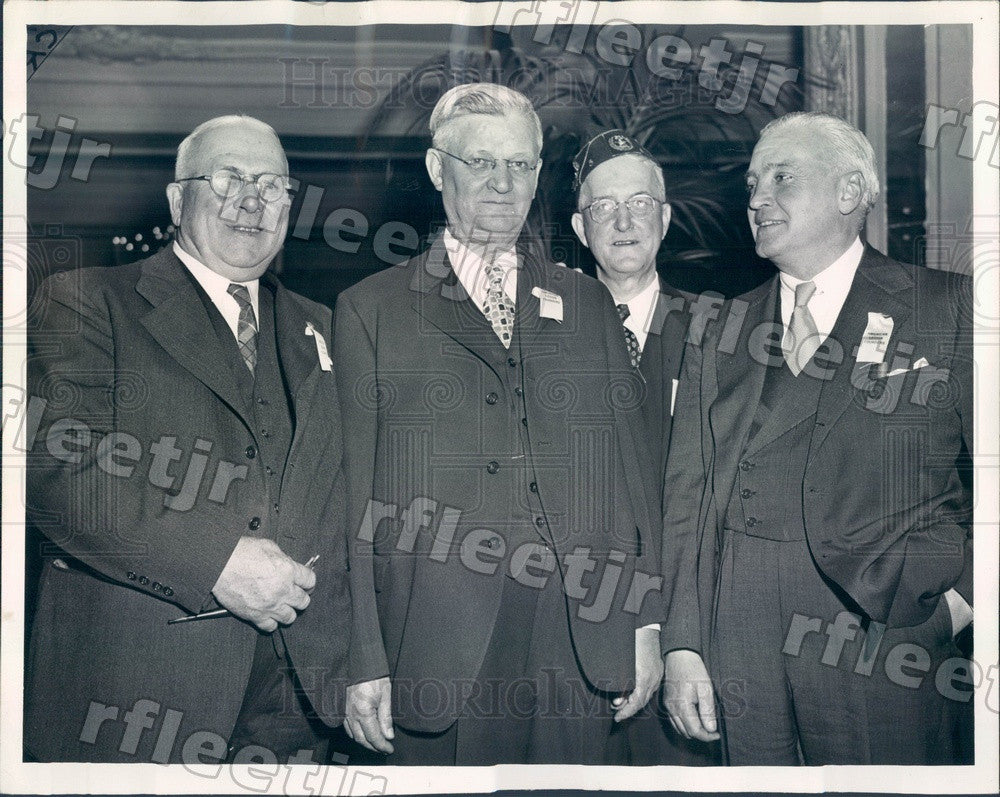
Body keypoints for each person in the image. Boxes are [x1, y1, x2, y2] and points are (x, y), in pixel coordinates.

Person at [333, 83, 664, 765]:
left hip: (579, 632)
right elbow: (351, 494)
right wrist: (363, 654)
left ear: (538, 176)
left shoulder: (586, 300)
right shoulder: (372, 308)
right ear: (437, 170)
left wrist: (647, 621)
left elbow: (633, 478)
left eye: (518, 164)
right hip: (435, 633)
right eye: (480, 161)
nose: (501, 181)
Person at [25, 115, 352, 763]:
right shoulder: (86, 300)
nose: (252, 200)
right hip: (134, 705)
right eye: (228, 178)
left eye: (272, 184)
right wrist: (216, 559)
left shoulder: (330, 328)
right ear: (179, 200)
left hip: (301, 714)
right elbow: (55, 467)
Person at [661, 111, 973, 764]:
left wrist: (960, 600)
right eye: (752, 183)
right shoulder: (717, 326)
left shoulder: (947, 309)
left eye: (782, 176)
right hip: (738, 631)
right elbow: (687, 499)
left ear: (849, 191)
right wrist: (685, 645)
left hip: (884, 629)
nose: (757, 199)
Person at [571, 129, 717, 765]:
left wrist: (662, 625)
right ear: (580, 228)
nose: (624, 220)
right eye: (604, 206)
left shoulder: (719, 331)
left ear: (664, 217)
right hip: (573, 631)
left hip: (696, 632)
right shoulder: (541, 334)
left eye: (639, 203)